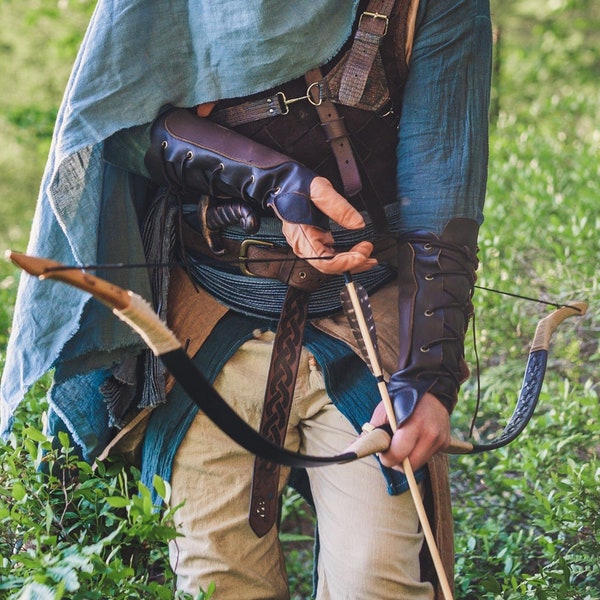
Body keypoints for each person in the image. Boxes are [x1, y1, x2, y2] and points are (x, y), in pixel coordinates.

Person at [1, 0, 492, 598]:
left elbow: (442, 189)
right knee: (218, 583)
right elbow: (116, 125)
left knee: (378, 580)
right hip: (209, 312)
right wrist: (271, 177)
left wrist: (430, 377)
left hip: (370, 315)